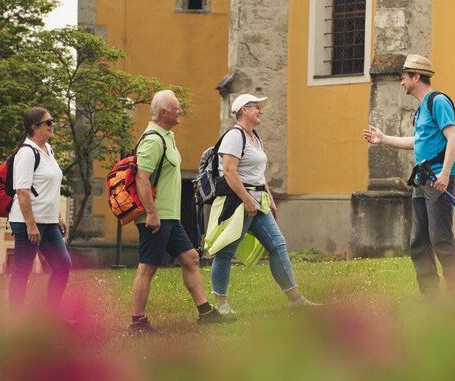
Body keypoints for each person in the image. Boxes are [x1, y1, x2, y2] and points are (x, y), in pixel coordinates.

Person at [205, 93, 320, 320]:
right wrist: (247, 200)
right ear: (244, 110)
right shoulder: (234, 136)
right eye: (256, 107)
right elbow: (229, 171)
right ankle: (221, 304)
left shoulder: (255, 137)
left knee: (278, 245)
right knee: (225, 251)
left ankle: (296, 299)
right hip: (237, 201)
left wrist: (269, 198)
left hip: (258, 201)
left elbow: (258, 173)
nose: (261, 111)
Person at [362, 54, 455, 294]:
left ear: (416, 76)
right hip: (423, 178)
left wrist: (445, 175)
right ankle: (430, 295)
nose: (401, 82)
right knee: (418, 239)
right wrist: (383, 138)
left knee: (440, 237)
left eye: (404, 77)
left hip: (440, 177)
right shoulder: (421, 110)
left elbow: (453, 139)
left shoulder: (437, 102)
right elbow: (417, 142)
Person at [129, 90, 218, 334]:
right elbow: (142, 179)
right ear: (164, 112)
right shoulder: (153, 140)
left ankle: (206, 313)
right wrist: (151, 213)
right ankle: (137, 322)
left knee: (191, 257)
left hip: (170, 215)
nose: (181, 110)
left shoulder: (167, 136)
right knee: (148, 266)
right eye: (176, 107)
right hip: (156, 216)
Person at [9, 107, 72, 311]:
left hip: (48, 221)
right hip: (28, 223)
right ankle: (14, 320)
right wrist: (31, 225)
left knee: (63, 265)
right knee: (22, 271)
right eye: (49, 122)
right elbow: (22, 191)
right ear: (35, 127)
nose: (53, 125)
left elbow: (48, 189)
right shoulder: (27, 153)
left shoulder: (48, 150)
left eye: (52, 121)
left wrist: (58, 216)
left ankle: (51, 313)